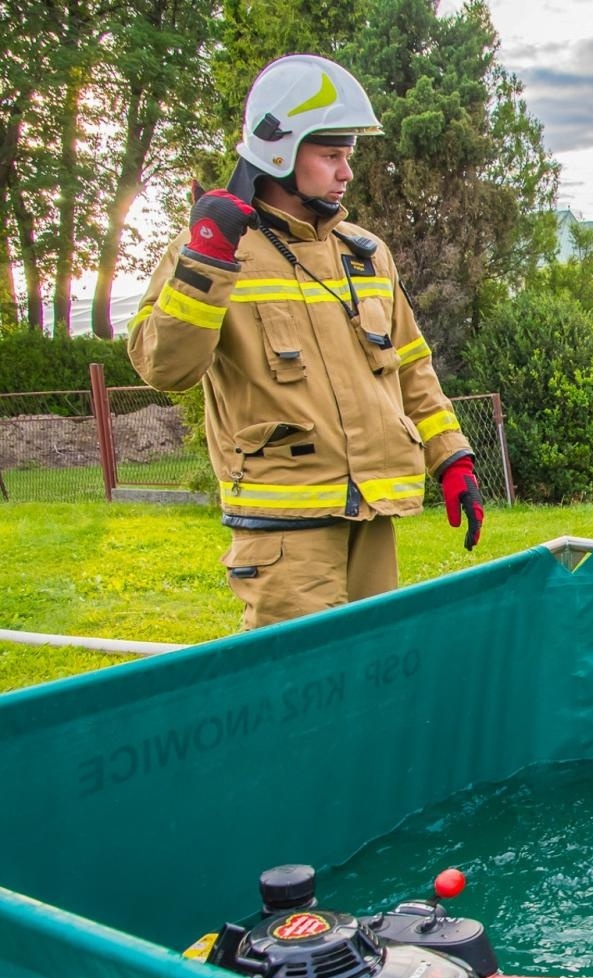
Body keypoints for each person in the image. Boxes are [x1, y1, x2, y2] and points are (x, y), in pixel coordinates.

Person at [128, 55, 483, 629]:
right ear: (280, 153)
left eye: (349, 156)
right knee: (303, 697)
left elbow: (412, 367)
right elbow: (164, 367)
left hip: (370, 519)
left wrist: (452, 458)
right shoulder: (215, 248)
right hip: (284, 532)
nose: (347, 173)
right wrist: (206, 259)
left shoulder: (365, 253)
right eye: (331, 156)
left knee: (372, 680)